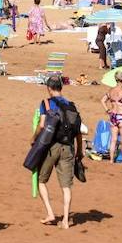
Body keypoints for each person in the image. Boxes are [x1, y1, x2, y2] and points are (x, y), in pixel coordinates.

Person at [34, 75, 83, 228]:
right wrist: (79, 151)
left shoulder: (46, 103)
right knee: (66, 186)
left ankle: (50, 213)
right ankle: (66, 220)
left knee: (41, 180)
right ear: (61, 88)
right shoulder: (71, 105)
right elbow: (79, 132)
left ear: (49, 88)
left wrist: (33, 138)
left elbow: (42, 125)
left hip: (51, 146)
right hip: (68, 147)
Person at [102, 71, 122, 163]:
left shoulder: (111, 91)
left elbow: (102, 100)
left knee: (113, 140)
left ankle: (111, 160)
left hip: (113, 116)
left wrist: (107, 110)